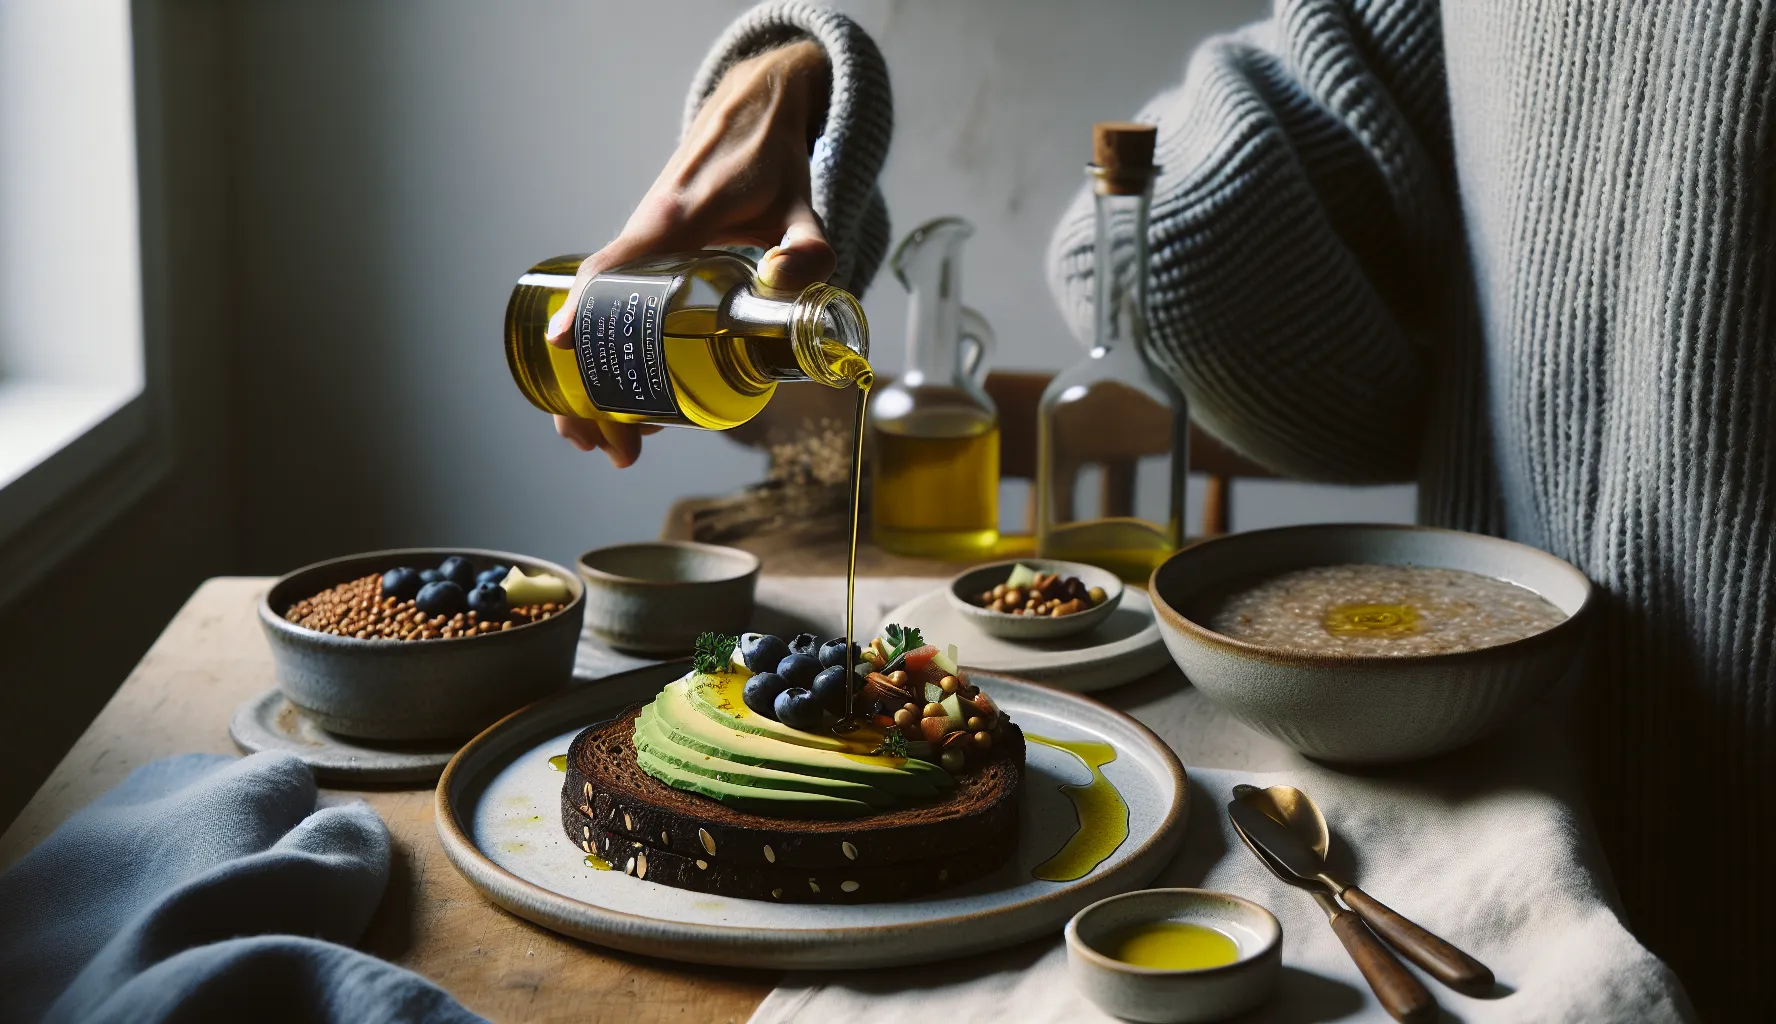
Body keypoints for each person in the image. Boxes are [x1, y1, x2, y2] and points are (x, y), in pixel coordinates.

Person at [546, 1, 1773, 1015]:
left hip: (1583, 732)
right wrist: (812, 81)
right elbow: (1333, 124)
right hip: (1504, 747)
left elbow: (1348, 403)